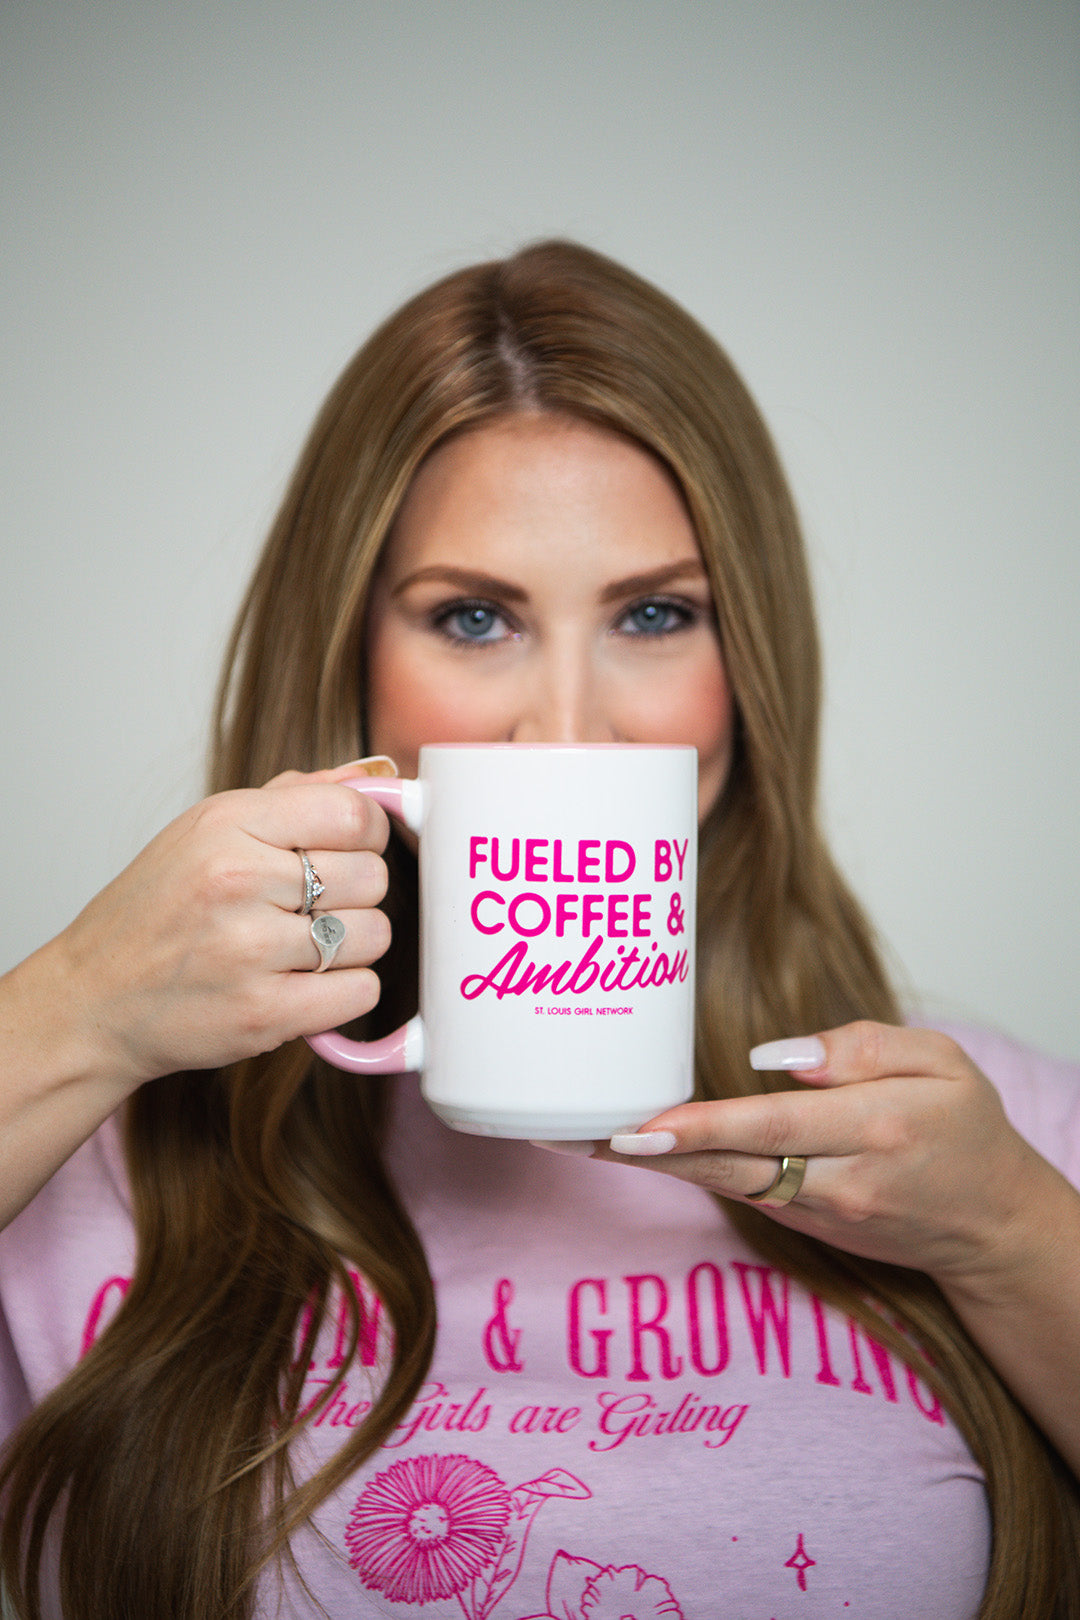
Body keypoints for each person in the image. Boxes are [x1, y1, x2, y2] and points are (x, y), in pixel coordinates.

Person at [0, 240, 1077, 1620]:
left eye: (652, 613)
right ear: (350, 661)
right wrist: (78, 1007)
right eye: (472, 617)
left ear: (750, 664)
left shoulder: (999, 1144)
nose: (567, 728)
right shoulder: (90, 1162)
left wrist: (1011, 1238)